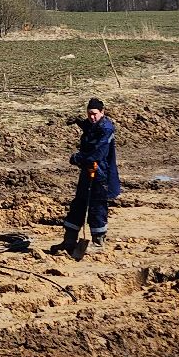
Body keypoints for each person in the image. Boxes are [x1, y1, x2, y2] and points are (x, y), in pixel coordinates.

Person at [49, 97, 121, 257]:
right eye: (89, 114)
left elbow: (98, 153)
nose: (92, 117)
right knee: (78, 204)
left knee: (96, 207)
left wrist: (78, 158)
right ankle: (69, 240)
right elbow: (87, 126)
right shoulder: (92, 124)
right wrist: (76, 121)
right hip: (87, 171)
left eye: (95, 114)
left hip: (100, 173)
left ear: (102, 112)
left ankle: (98, 243)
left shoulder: (106, 129)